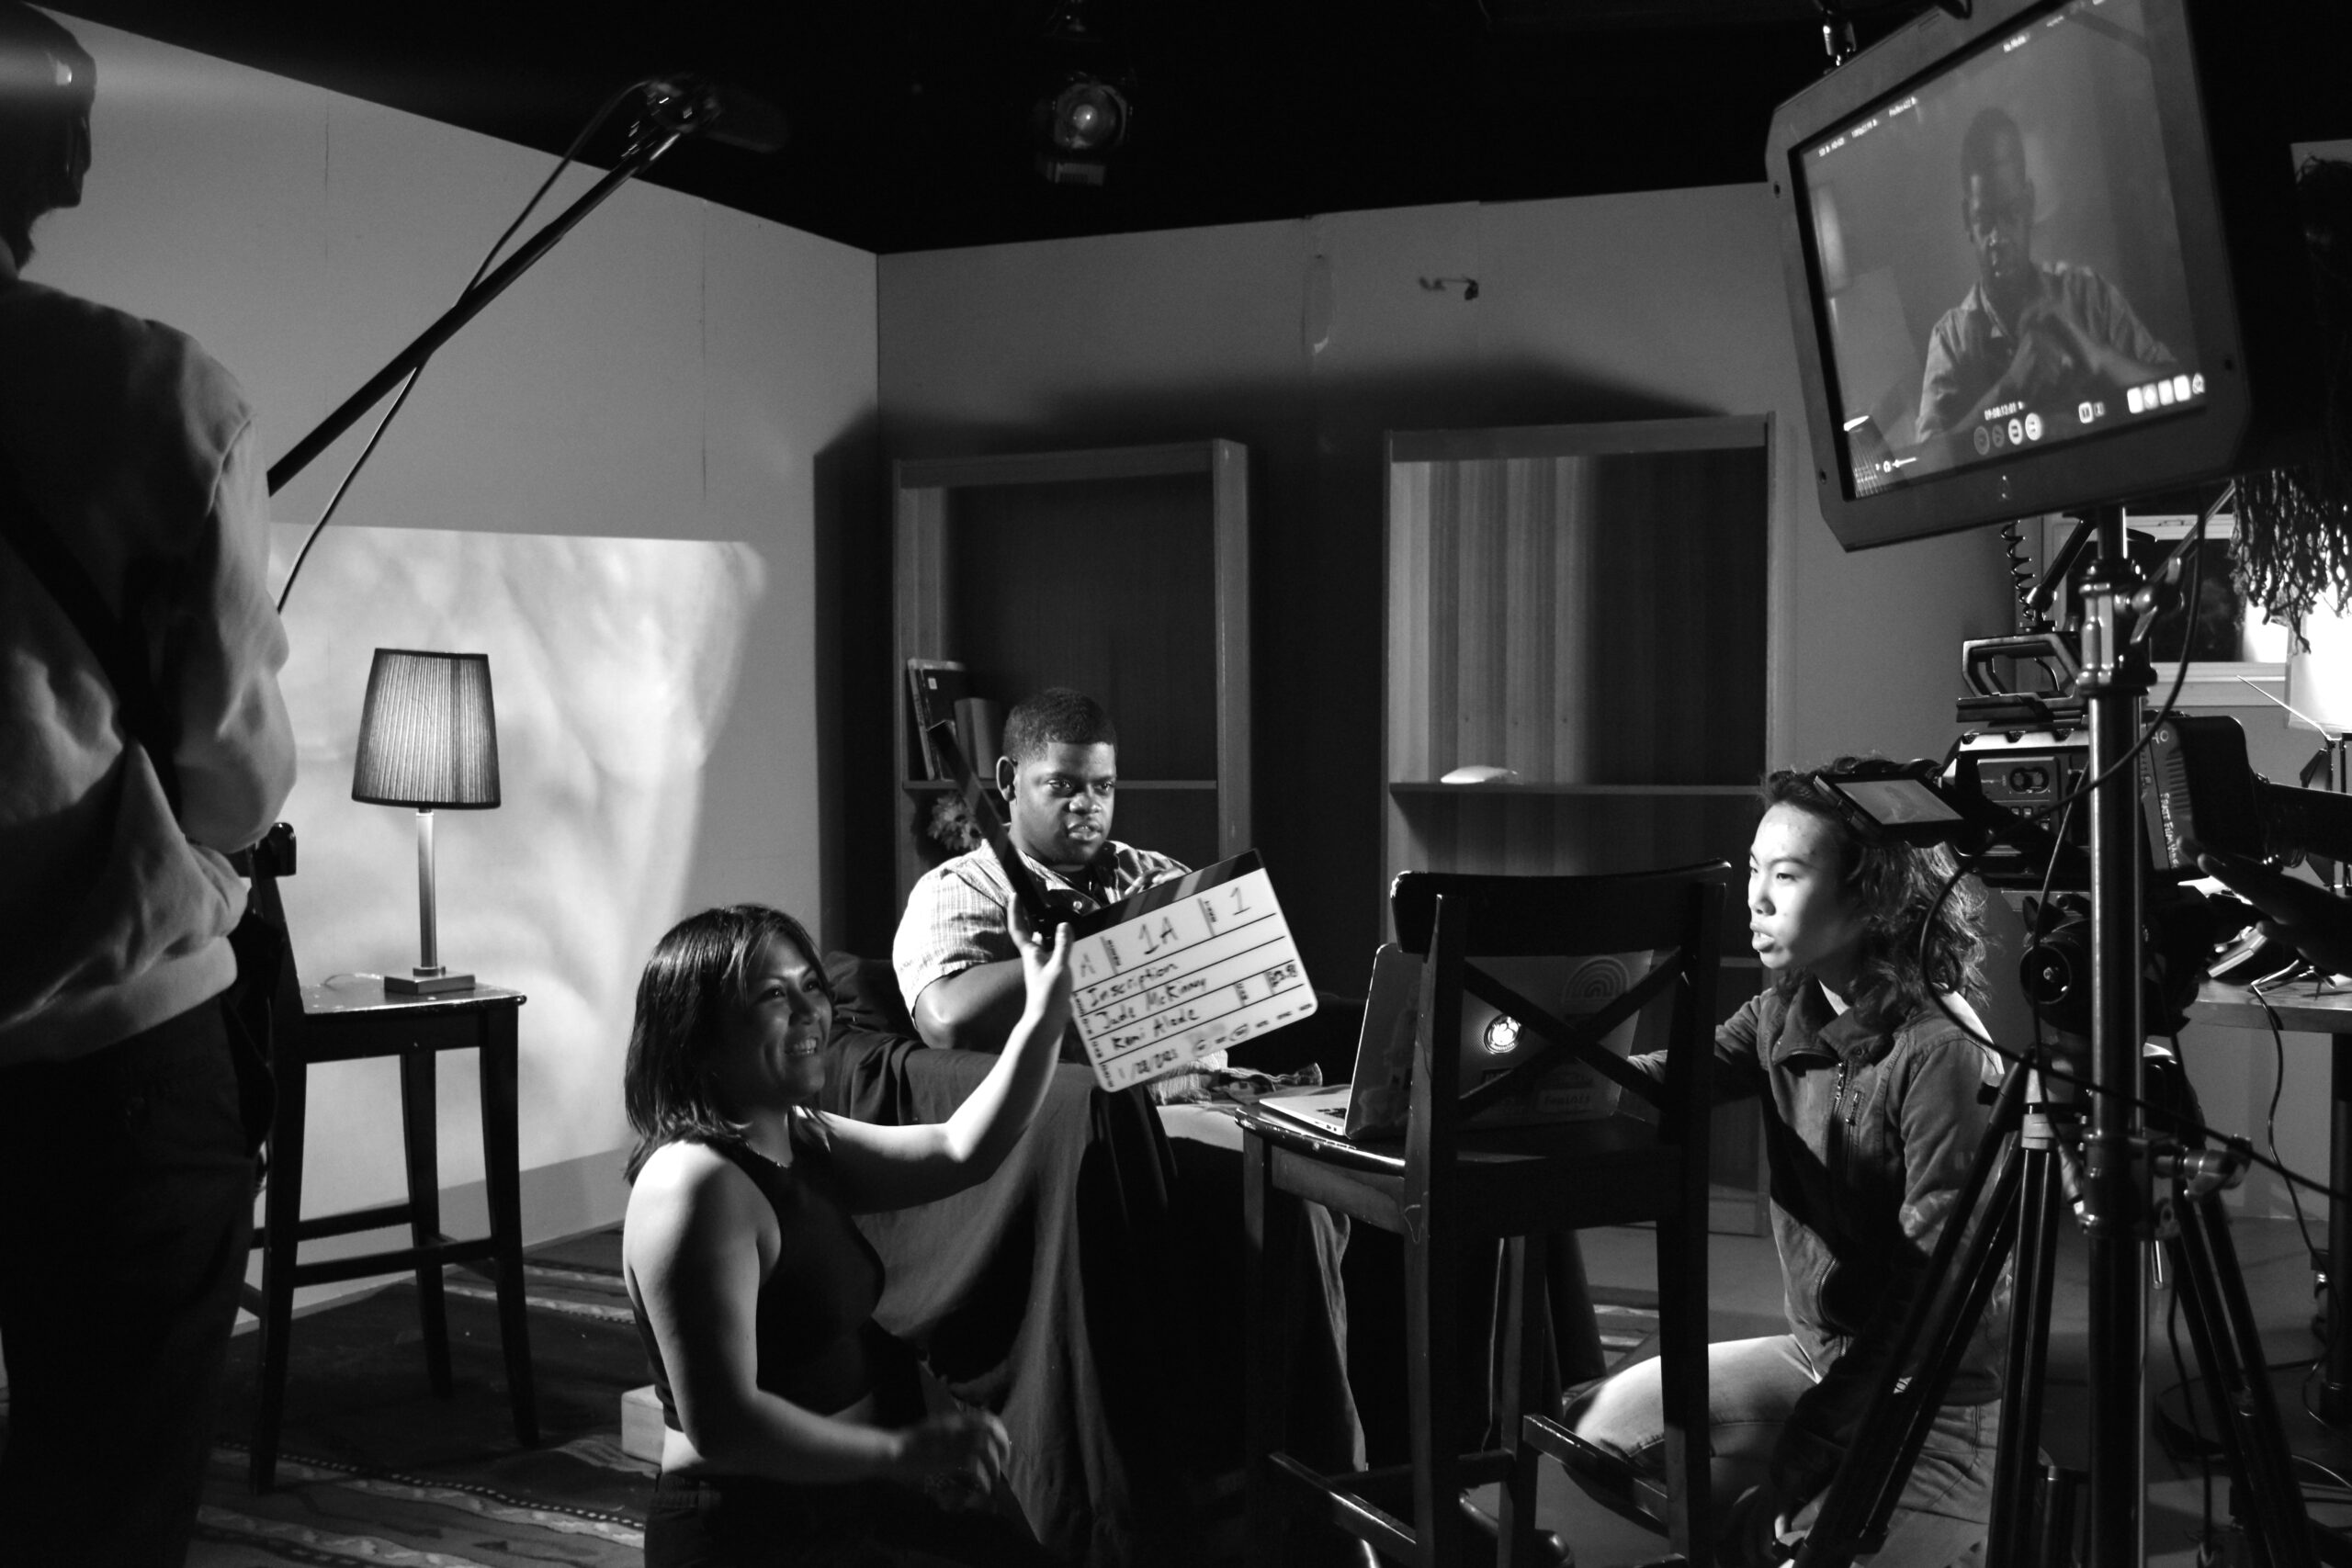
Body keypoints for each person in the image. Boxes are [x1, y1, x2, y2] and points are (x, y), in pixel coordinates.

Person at [0, 9, 297, 1565]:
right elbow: (233, 779)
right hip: (108, 1064)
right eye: (77, 117)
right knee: (99, 1499)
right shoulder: (156, 394)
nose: (93, 151)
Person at [1563, 764, 2004, 1568]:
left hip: (1931, 1400)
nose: (1756, 898)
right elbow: (1663, 1081)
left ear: (1875, 895)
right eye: (1755, 869)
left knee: (1812, 1550)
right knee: (1600, 1439)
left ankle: (1977, 1496)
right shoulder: (1785, 1010)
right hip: (1819, 1359)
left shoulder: (1942, 1049)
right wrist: (1536, 1063)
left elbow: (1935, 1292)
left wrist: (1818, 1440)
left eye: (1788, 875)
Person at [623, 901, 1075, 1567]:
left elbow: (958, 1148)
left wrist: (1042, 1014)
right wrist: (903, 1452)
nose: (810, 1012)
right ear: (700, 1031)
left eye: (811, 985)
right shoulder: (693, 1183)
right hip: (746, 1530)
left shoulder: (797, 1132)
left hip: (840, 1498)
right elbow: (723, 1427)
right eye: (773, 996)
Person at [895, 686, 1189, 1057]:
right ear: (1008, 781)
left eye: (1104, 787)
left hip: (1229, 1099)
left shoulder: (1154, 870)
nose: (1088, 804)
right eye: (1062, 784)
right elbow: (946, 1022)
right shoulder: (962, 887)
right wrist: (1109, 945)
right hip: (1091, 1112)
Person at [1916, 107, 2177, 443]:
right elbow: (1926, 466)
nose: (1998, 238)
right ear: (1968, 219)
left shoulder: (2088, 294)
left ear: (2029, 203)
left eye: (2010, 213)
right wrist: (2009, 388)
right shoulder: (1950, 340)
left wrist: (2098, 358)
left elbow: (2184, 389)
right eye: (1985, 220)